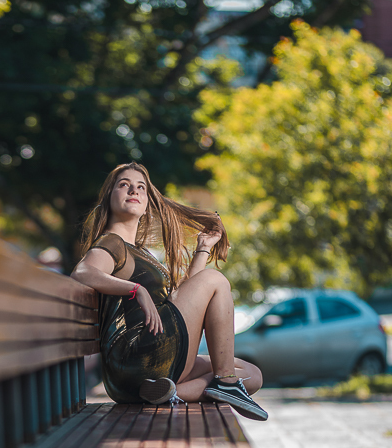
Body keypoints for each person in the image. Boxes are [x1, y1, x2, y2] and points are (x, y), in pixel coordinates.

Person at [70, 162, 267, 421]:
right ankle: (224, 384)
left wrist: (203, 249)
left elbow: (185, 302)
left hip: (141, 371)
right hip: (137, 357)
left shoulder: (139, 251)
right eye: (124, 185)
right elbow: (81, 273)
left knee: (252, 374)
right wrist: (135, 289)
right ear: (109, 196)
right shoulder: (112, 243)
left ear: (147, 203)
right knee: (216, 281)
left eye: (141, 187)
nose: (134, 190)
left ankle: (169, 392)